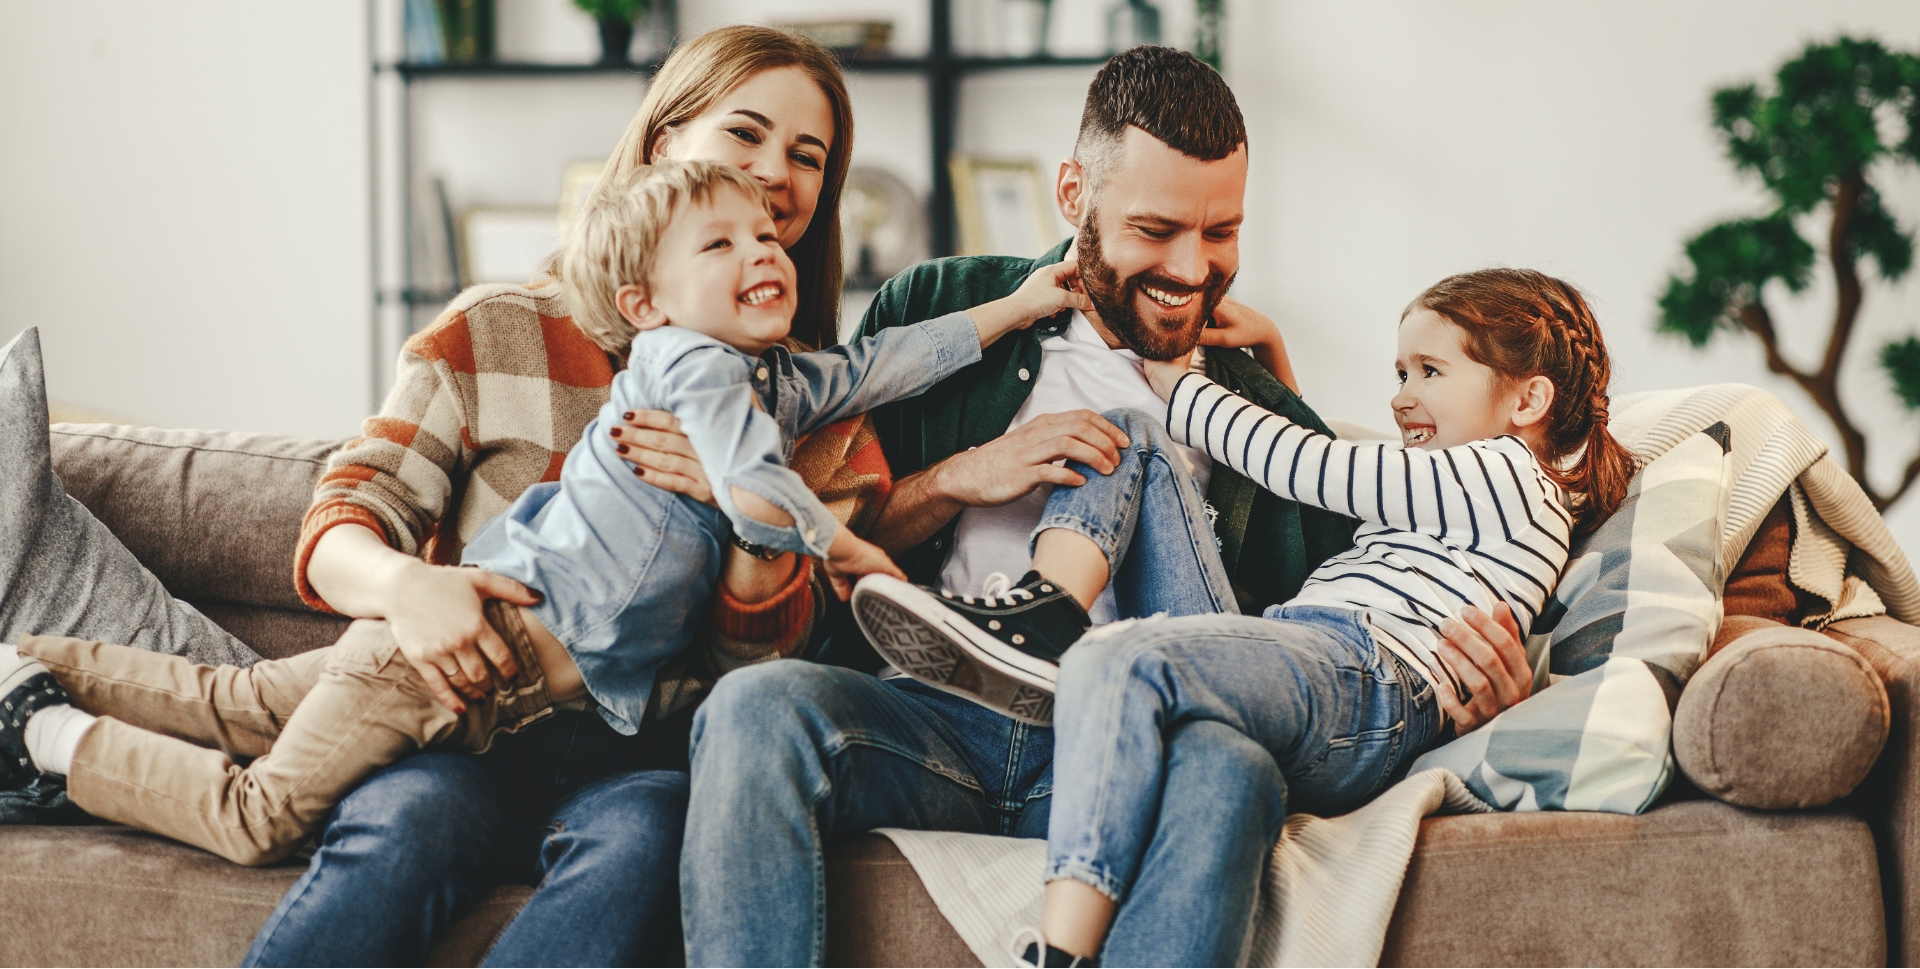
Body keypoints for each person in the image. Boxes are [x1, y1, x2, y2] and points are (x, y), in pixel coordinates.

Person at [676, 46, 1536, 966]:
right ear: (1072, 191)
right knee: (754, 707)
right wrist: (962, 476)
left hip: (1135, 746)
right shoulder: (945, 307)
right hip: (936, 719)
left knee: (1233, 769)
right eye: (1157, 228)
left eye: (1221, 233)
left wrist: (1490, 691)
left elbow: (1330, 639)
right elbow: (826, 544)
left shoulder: (1252, 405)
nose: (1192, 268)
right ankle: (1016, 633)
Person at [0, 160, 1082, 869]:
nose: (764, 252)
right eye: (722, 244)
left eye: (769, 236)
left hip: (495, 695)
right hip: (451, 656)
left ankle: (21, 659)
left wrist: (1022, 306)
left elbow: (883, 363)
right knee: (258, 817)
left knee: (229, 698)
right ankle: (47, 736)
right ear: (644, 307)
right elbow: (754, 486)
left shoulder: (774, 383)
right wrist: (856, 555)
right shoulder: (687, 365)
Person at [248, 26, 877, 965]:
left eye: (805, 156)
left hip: (640, 756)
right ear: (664, 145)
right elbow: (349, 514)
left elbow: (754, 672)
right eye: (744, 134)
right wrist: (406, 587)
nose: (774, 172)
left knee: (639, 849)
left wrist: (740, 497)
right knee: (402, 828)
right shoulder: (495, 329)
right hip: (465, 731)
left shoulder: (819, 416)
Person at [1000, 268, 1634, 966]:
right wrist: (1271, 348)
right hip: (1312, 663)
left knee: (1116, 656)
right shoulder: (1463, 493)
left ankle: (1060, 952)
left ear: (1529, 399)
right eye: (1399, 372)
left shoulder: (1508, 471)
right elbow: (1335, 484)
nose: (1401, 398)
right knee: (1216, 763)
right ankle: (1046, 611)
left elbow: (1312, 466)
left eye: (1429, 370)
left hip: (1368, 673)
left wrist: (1175, 377)